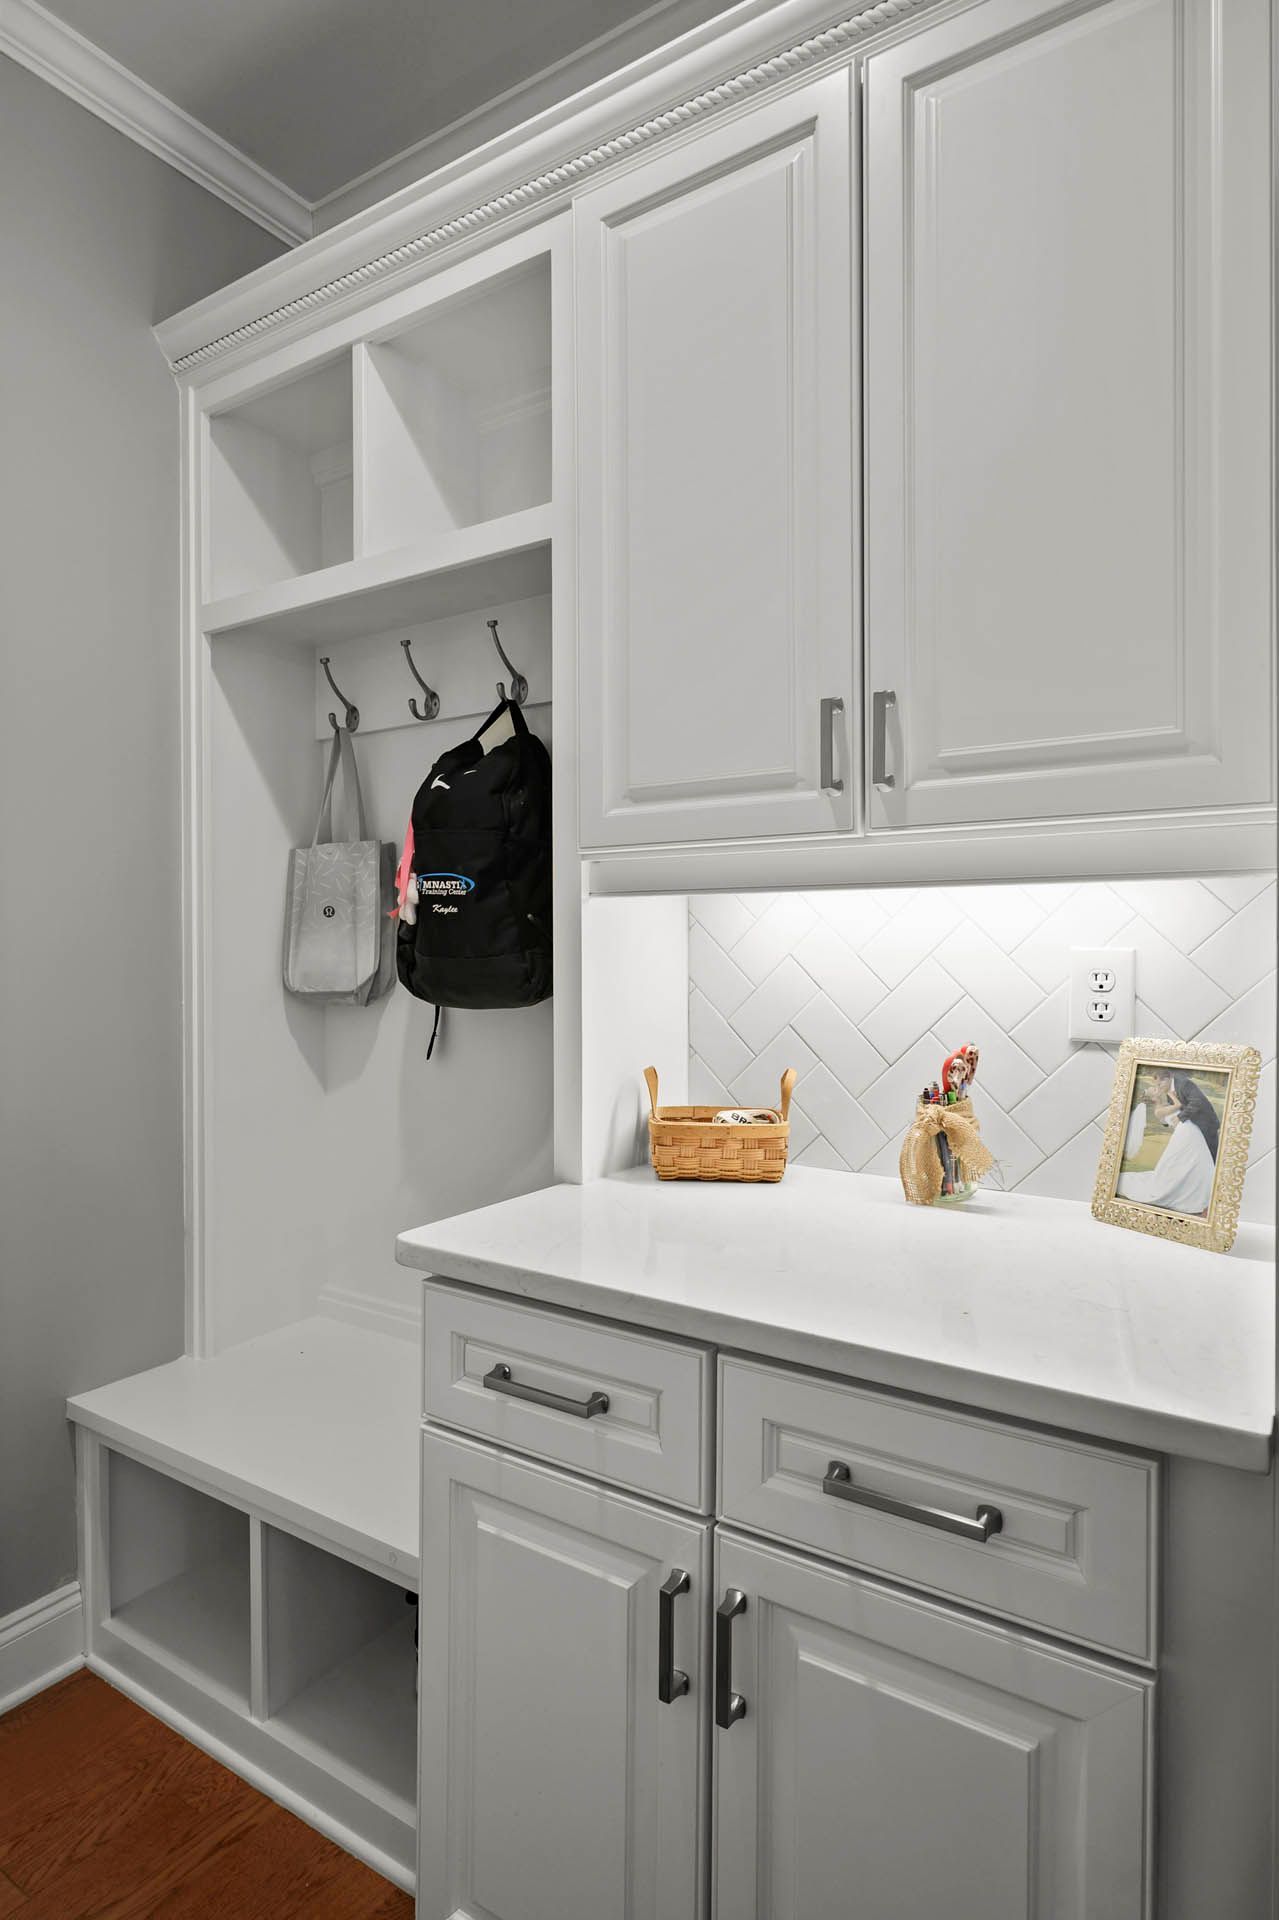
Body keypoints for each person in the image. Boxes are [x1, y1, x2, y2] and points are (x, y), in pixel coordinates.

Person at [1117, 1072, 1220, 1216]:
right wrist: (1170, 1093)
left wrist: (1167, 1093)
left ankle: (1202, 1191)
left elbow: (1178, 1109)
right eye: (1154, 1089)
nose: (1157, 1088)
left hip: (1190, 1130)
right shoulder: (1159, 1110)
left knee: (1197, 1161)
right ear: (1154, 1098)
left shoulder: (1165, 1103)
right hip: (1185, 1132)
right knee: (1187, 1161)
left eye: (1157, 1085)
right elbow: (1178, 1106)